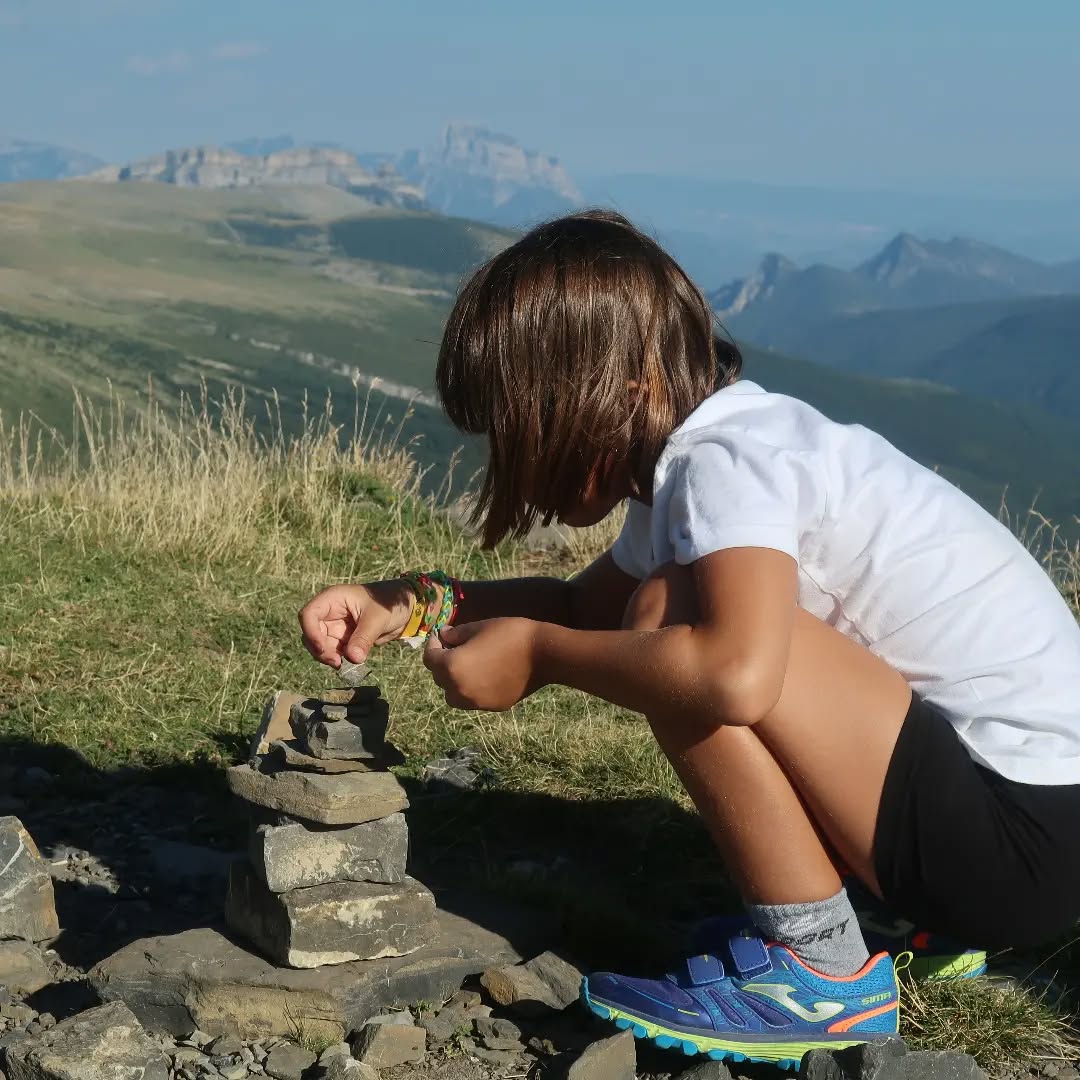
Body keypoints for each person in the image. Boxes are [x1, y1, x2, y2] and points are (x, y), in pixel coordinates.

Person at [298, 210, 1080, 1068]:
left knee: (679, 622)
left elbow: (733, 676)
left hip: (1017, 842)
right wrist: (411, 604)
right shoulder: (710, 457)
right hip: (1023, 837)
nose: (512, 456)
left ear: (623, 387)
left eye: (526, 424)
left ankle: (819, 975)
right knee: (668, 607)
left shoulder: (727, 462)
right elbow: (579, 603)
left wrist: (538, 658)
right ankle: (883, 918)